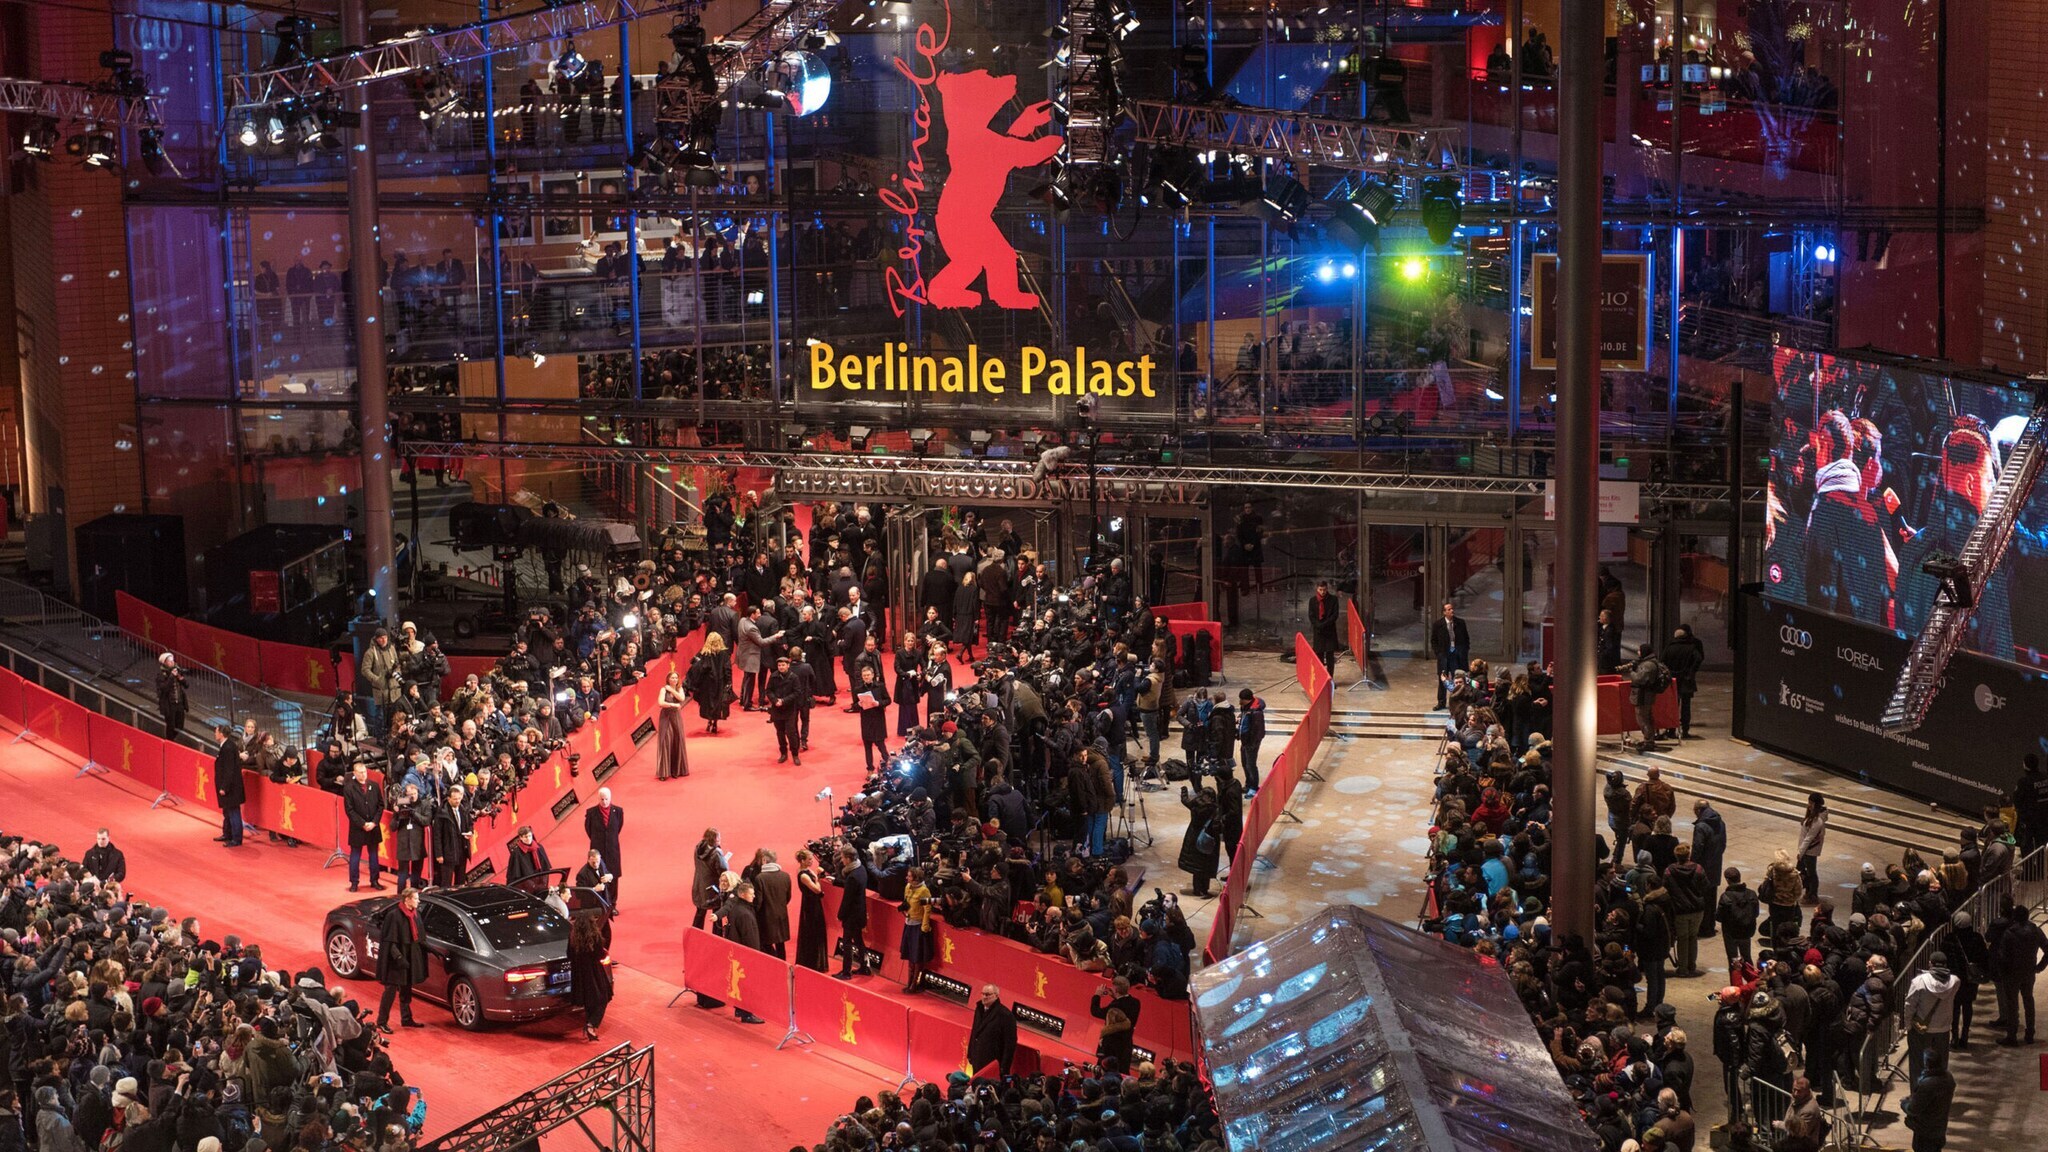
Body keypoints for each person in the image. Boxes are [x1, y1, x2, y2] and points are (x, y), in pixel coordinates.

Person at [1990, 898, 2047, 1045]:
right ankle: (2030, 1034)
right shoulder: (2035, 930)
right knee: (2029, 1001)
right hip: (2029, 971)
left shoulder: (2010, 933)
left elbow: (2002, 956)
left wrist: (2002, 973)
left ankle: (2012, 1035)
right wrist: (2040, 966)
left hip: (2011, 973)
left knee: (2012, 1004)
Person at [376, 887, 429, 1031]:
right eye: (416, 898)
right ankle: (381, 1021)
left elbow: (419, 937)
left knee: (406, 989)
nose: (418, 901)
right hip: (396, 961)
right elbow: (389, 941)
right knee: (390, 991)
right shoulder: (394, 916)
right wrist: (399, 958)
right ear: (407, 900)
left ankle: (406, 1018)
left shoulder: (414, 914)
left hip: (409, 957)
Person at [1903, 952, 1958, 1081]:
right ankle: (1939, 1097)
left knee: (1917, 1064)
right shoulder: (1955, 981)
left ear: (1930, 964)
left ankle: (1917, 1097)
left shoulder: (1919, 981)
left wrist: (1908, 1025)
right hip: (1943, 1029)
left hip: (1921, 1029)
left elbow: (1909, 1005)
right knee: (1941, 1065)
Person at [567, 910, 613, 1042]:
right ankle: (591, 1025)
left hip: (579, 975)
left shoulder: (572, 938)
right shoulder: (595, 937)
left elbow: (569, 955)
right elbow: (600, 955)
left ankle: (589, 1026)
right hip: (594, 973)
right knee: (603, 998)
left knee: (588, 1002)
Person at [1901, 1050, 1955, 1152]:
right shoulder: (1948, 1078)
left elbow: (1913, 1109)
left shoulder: (1928, 1084)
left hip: (1925, 1132)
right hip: (1939, 1129)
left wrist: (1904, 1103)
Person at [584, 787, 625, 910]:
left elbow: (618, 828)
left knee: (613, 878)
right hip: (598, 851)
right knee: (598, 877)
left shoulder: (618, 811)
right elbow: (588, 830)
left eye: (607, 799)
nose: (605, 802)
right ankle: (601, 904)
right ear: (598, 799)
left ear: (610, 798)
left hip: (613, 851)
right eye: (602, 799)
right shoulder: (591, 813)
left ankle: (613, 905)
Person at [1090, 975, 1142, 1073]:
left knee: (1106, 1072)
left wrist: (1097, 995)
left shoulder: (1114, 1006)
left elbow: (1095, 1011)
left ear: (1116, 989)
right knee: (1122, 1072)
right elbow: (1123, 1003)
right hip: (1126, 1044)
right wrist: (1116, 996)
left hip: (1111, 1046)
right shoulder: (1136, 1003)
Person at [834, 845, 872, 979]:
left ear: (849, 859)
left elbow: (847, 900)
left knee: (847, 943)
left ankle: (846, 972)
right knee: (859, 941)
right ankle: (864, 967)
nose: (842, 861)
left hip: (851, 916)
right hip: (860, 913)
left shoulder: (852, 877)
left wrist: (840, 915)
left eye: (843, 858)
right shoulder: (861, 869)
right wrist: (836, 882)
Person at [1662, 623, 1705, 739]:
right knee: (1686, 706)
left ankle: (1671, 730)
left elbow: (1662, 662)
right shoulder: (1692, 647)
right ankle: (1685, 730)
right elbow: (1699, 659)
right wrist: (1691, 672)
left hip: (1672, 680)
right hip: (1686, 679)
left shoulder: (1670, 647)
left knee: (1673, 705)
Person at [966, 984, 1018, 1077]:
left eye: (988, 994)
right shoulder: (979, 1009)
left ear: (996, 996)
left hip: (991, 1062)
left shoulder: (1005, 1015)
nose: (984, 997)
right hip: (977, 1057)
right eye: (983, 994)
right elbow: (974, 1032)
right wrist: (970, 1053)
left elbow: (1009, 1044)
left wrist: (1003, 1068)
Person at [1177, 784, 1219, 897]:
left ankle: (1197, 889)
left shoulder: (1195, 804)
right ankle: (1204, 889)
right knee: (1205, 865)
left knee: (1196, 866)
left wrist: (1184, 791)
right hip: (1207, 838)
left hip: (1193, 836)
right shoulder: (1213, 808)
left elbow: (1185, 801)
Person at [686, 633, 734, 734]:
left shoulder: (704, 654)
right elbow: (727, 669)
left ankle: (709, 720)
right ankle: (715, 723)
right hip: (720, 682)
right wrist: (729, 682)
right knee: (718, 703)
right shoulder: (724, 654)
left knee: (708, 702)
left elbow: (699, 667)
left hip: (707, 683)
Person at [1626, 643, 1668, 752]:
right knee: (1647, 718)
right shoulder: (1650, 662)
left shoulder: (1648, 665)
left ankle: (1648, 742)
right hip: (1646, 695)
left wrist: (1631, 671)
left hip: (1643, 696)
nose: (1638, 652)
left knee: (1643, 719)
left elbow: (1639, 679)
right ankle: (1649, 740)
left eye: (1639, 650)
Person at [899, 865, 934, 993]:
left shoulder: (924, 891)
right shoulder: (908, 887)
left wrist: (925, 926)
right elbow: (906, 901)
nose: (906, 878)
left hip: (918, 926)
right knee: (909, 955)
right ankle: (908, 982)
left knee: (917, 957)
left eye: (909, 876)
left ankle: (915, 984)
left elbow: (927, 909)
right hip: (908, 923)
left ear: (915, 878)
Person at [754, 848, 792, 960]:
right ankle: (784, 966)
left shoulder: (760, 878)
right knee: (781, 945)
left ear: (764, 860)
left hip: (766, 917)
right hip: (782, 915)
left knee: (766, 944)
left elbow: (759, 901)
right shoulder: (785, 876)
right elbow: (788, 897)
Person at [794, 847, 829, 971]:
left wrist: (817, 878)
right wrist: (818, 877)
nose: (811, 861)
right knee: (812, 931)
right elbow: (817, 889)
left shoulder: (807, 871)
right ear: (802, 861)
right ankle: (811, 962)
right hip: (810, 906)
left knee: (816, 930)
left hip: (813, 903)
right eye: (809, 859)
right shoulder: (804, 875)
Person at [431, 784, 472, 888]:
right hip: (448, 853)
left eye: (459, 798)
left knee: (460, 881)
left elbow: (470, 824)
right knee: (446, 883)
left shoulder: (463, 809)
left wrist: (470, 832)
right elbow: (437, 835)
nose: (457, 801)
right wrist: (439, 854)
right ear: (449, 799)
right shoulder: (441, 813)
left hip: (462, 850)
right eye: (455, 799)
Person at [212, 723, 246, 847]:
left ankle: (236, 838)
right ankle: (227, 834)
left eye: (216, 731)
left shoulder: (228, 748)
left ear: (221, 733)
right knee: (227, 811)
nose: (215, 734)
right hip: (229, 786)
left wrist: (224, 787)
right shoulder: (227, 746)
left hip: (231, 788)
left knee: (233, 812)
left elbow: (229, 770)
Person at [767, 654, 804, 766]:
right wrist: (775, 700)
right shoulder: (773, 676)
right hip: (776, 709)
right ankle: (783, 753)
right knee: (780, 733)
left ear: (788, 665)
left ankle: (795, 754)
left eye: (783, 665)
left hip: (789, 709)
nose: (781, 667)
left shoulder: (794, 677)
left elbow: (797, 692)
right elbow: (768, 691)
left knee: (791, 732)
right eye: (779, 665)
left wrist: (783, 700)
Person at [1430, 602, 1469, 709]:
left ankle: (1458, 701)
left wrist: (1464, 651)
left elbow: (1466, 639)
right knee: (1443, 679)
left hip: (1456, 656)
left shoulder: (1460, 623)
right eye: (1449, 609)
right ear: (1444, 612)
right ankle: (1441, 702)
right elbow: (1434, 640)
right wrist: (1438, 653)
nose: (1452, 611)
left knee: (1458, 679)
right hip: (1444, 656)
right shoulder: (1438, 625)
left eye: (1452, 609)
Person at [691, 827, 729, 931]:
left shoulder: (698, 848)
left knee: (700, 912)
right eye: (718, 838)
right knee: (717, 912)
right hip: (713, 888)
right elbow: (723, 870)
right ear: (714, 839)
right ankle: (717, 936)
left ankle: (695, 934)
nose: (720, 840)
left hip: (699, 885)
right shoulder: (716, 853)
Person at [854, 665, 889, 771]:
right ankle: (870, 768)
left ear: (873, 675)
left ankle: (888, 763)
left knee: (880, 744)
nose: (866, 677)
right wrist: (859, 704)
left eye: (868, 675)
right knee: (867, 746)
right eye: (864, 676)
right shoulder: (858, 689)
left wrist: (878, 703)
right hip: (866, 720)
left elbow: (888, 700)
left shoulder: (880, 686)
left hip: (878, 718)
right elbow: (854, 705)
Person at [655, 669, 689, 779]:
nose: (674, 679)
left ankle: (677, 770)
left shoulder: (679, 689)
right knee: (666, 741)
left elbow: (682, 698)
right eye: (672, 677)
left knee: (677, 740)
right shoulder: (663, 689)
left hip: (676, 718)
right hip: (665, 717)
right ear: (668, 679)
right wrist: (673, 705)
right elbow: (660, 703)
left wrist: (672, 690)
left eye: (676, 678)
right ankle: (663, 773)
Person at [1796, 792, 1828, 904]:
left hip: (1809, 850)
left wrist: (1801, 852)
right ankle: (1809, 891)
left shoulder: (1817, 821)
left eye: (1810, 802)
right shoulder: (1812, 817)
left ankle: (1812, 893)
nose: (1808, 804)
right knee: (1806, 871)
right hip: (1806, 849)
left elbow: (1809, 838)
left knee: (1811, 872)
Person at [504, 824, 552, 892]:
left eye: (530, 836)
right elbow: (515, 876)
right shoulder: (516, 853)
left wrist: (542, 885)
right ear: (521, 838)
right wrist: (533, 886)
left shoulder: (539, 847)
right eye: (526, 837)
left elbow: (545, 868)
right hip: (526, 886)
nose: (528, 838)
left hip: (540, 881)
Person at [1307, 580, 1341, 672]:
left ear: (1327, 589)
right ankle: (1321, 678)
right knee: (1319, 656)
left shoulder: (1333, 599)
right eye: (1320, 589)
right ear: (1317, 589)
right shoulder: (1313, 601)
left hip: (1329, 631)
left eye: (1324, 590)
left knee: (1330, 656)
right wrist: (1318, 625)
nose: (1322, 592)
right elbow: (1311, 616)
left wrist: (1324, 624)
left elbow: (1335, 615)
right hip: (1318, 632)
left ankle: (1330, 678)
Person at [1236, 688, 1266, 793]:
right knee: (1244, 763)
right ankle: (1248, 784)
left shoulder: (1256, 712)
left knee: (1251, 764)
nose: (1239, 702)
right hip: (1245, 741)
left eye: (1241, 700)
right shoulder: (1245, 707)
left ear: (1247, 700)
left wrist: (1253, 744)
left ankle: (1254, 787)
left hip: (1252, 743)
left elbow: (1259, 731)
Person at [155, 653, 187, 739]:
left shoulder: (177, 671)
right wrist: (171, 676)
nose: (172, 662)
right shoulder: (161, 675)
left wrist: (180, 678)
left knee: (180, 726)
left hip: (179, 703)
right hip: (169, 705)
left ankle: (174, 739)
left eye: (173, 660)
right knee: (170, 726)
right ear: (164, 662)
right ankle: (170, 741)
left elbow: (186, 685)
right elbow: (164, 688)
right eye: (170, 661)